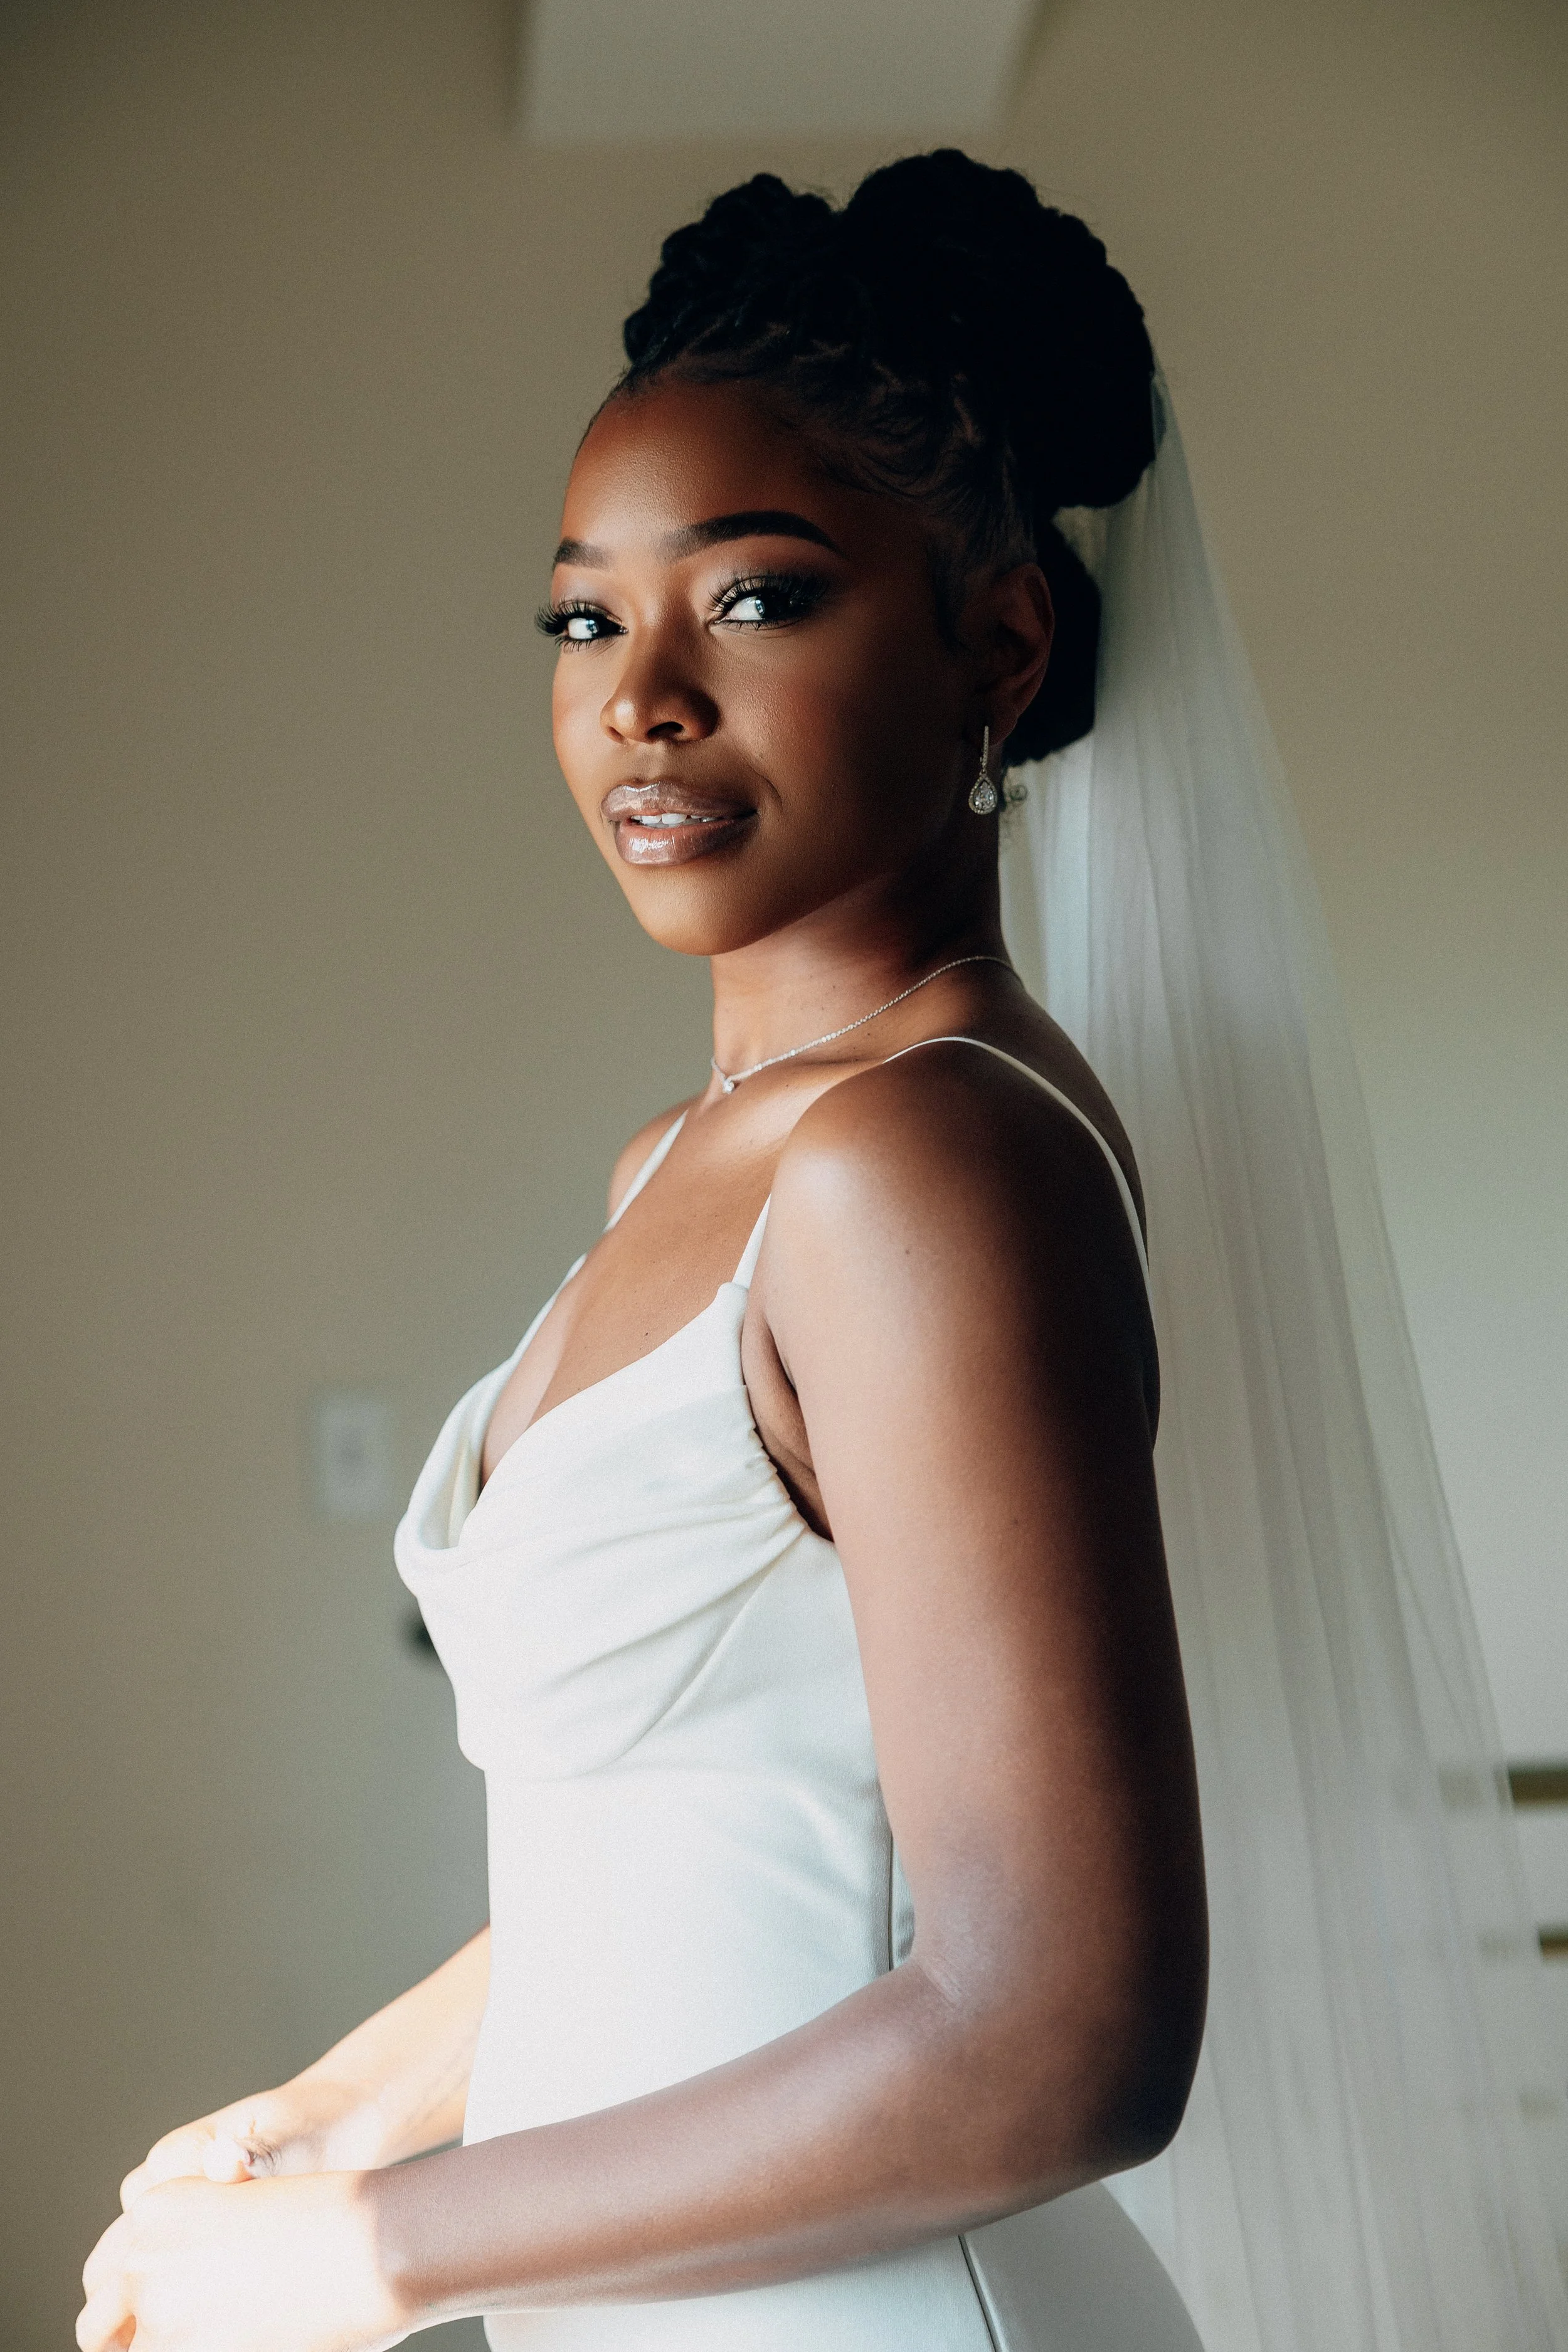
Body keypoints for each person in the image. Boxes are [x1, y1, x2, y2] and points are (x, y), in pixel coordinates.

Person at [78, 153, 1211, 2351]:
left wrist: (380, 2253)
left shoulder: (926, 1164)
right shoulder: (686, 1163)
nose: (641, 697)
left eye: (757, 599)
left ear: (998, 640)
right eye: (585, 617)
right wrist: (335, 2116)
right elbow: (702, 1856)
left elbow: (1066, 2030)